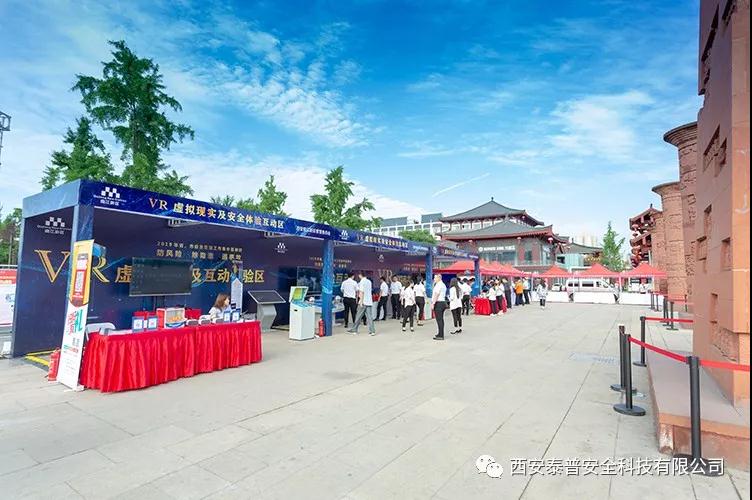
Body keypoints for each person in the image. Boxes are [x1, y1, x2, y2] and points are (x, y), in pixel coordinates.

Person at [432, 274, 447, 340]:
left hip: (438, 303)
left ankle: (441, 335)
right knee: (441, 319)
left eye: (435, 278)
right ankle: (440, 333)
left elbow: (436, 294)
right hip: (442, 302)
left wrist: (433, 303)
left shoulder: (438, 285)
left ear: (439, 278)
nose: (434, 279)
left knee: (439, 320)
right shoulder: (443, 284)